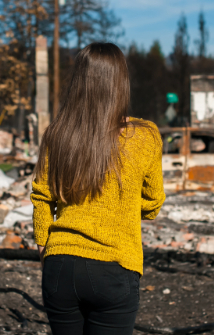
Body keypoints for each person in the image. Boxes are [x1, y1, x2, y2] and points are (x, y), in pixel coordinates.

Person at [31, 42, 165, 335]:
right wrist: (121, 203)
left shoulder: (58, 133)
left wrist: (44, 247)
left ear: (79, 81)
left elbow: (42, 197)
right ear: (121, 83)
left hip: (59, 266)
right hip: (114, 267)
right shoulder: (145, 136)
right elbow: (153, 203)